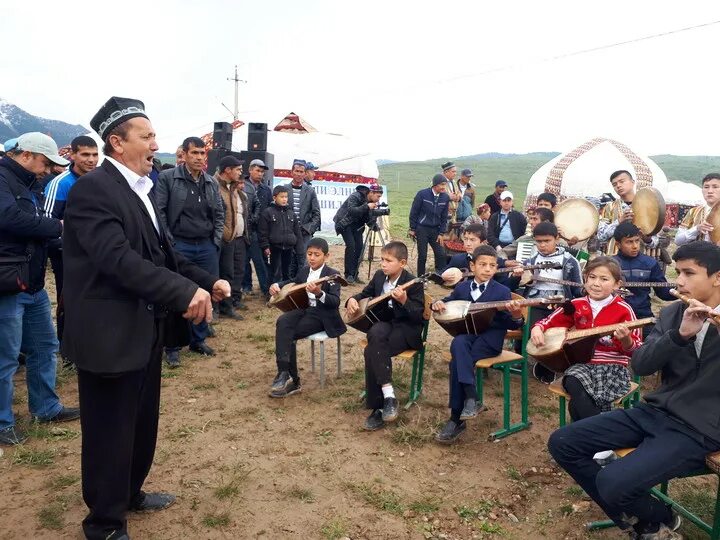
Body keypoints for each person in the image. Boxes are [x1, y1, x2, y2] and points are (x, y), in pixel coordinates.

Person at [63, 96, 230, 540]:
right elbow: (117, 260)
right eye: (148, 136)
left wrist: (205, 280)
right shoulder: (93, 190)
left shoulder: (142, 190)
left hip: (143, 330)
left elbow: (162, 254)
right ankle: (103, 522)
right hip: (108, 335)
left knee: (140, 423)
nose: (156, 144)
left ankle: (128, 493)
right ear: (117, 143)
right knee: (109, 432)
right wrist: (183, 292)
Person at [548, 241, 720, 540]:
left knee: (613, 482)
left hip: (701, 427)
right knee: (563, 442)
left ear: (717, 277)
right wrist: (678, 336)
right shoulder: (673, 314)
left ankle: (647, 520)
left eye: (688, 273)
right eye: (677, 272)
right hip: (656, 411)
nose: (678, 282)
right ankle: (654, 520)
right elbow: (640, 365)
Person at [0, 132, 80, 446]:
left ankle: (45, 407)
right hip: (8, 283)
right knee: (5, 358)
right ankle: (3, 422)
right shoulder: (3, 179)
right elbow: (8, 218)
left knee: (45, 347)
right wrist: (57, 227)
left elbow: (32, 223)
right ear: (27, 155)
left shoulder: (30, 185)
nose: (47, 170)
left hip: (31, 283)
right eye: (45, 163)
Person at [432, 245, 525, 443]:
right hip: (467, 338)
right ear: (472, 266)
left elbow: (511, 323)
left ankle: (456, 418)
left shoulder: (502, 291)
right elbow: (449, 302)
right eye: (482, 264)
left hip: (490, 341)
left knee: (456, 361)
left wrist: (517, 315)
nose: (488, 269)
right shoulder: (463, 287)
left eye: (492, 265)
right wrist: (438, 303)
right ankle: (471, 399)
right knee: (459, 342)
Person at [531, 257, 641, 422]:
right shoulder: (575, 305)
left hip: (612, 369)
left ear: (617, 284)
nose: (596, 283)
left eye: (604, 279)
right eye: (592, 277)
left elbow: (636, 349)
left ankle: (588, 437)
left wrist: (626, 341)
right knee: (573, 380)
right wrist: (537, 328)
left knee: (578, 400)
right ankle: (600, 438)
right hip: (582, 365)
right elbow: (549, 321)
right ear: (585, 278)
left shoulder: (624, 310)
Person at [154, 136, 225, 364]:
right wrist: (169, 242)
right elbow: (160, 212)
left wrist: (215, 240)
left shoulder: (211, 182)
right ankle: (172, 345)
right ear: (184, 155)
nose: (199, 158)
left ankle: (198, 340)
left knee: (205, 291)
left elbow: (219, 213)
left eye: (202, 153)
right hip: (179, 244)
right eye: (194, 153)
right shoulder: (167, 178)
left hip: (205, 245)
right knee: (176, 292)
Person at [346, 241, 424, 431]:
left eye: (388, 260)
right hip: (384, 325)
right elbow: (365, 293)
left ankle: (379, 407)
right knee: (375, 333)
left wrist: (404, 300)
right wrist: (351, 300)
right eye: (382, 259)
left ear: (402, 263)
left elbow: (417, 315)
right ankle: (388, 398)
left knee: (372, 350)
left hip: (406, 330)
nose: (383, 264)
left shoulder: (413, 283)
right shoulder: (380, 276)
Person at [268, 238, 347, 398]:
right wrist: (278, 285)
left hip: (323, 316)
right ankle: (284, 372)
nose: (312, 258)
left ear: (326, 256)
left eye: (316, 255)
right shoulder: (305, 271)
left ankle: (294, 381)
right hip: (304, 309)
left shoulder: (332, 275)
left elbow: (335, 302)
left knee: (289, 332)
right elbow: (294, 283)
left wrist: (319, 293)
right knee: (282, 321)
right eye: (309, 254)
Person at [42, 135, 99, 353]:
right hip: (67, 256)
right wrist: (66, 247)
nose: (91, 160)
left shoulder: (101, 181)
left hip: (96, 255)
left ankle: (91, 346)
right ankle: (68, 350)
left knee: (94, 300)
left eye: (95, 154)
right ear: (72, 155)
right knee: (70, 301)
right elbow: (47, 223)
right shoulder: (61, 184)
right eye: (85, 154)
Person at [612, 222, 674, 337]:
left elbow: (663, 293)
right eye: (629, 242)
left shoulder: (650, 263)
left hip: (643, 317)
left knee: (651, 348)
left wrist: (682, 291)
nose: (635, 246)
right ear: (618, 244)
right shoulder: (609, 265)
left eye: (636, 240)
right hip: (615, 317)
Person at [215, 155, 249, 325]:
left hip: (230, 240)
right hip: (215, 240)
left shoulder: (233, 189)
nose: (240, 172)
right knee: (213, 275)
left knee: (229, 273)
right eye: (237, 169)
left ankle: (226, 307)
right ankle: (213, 308)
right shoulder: (212, 186)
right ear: (227, 170)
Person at [597, 170, 660, 254]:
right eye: (614, 184)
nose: (618, 186)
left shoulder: (647, 206)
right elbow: (601, 236)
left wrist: (647, 239)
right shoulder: (609, 207)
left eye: (622, 182)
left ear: (632, 182)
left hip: (640, 259)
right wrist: (619, 221)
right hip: (614, 259)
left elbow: (654, 243)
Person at [333, 182, 383, 283]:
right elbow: (352, 210)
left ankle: (355, 274)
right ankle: (348, 274)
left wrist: (374, 224)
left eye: (380, 197)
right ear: (371, 192)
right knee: (351, 246)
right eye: (378, 196)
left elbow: (367, 219)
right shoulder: (356, 195)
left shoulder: (371, 203)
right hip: (344, 223)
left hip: (357, 226)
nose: (378, 199)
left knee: (360, 248)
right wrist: (367, 207)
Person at [440, 223, 515, 287]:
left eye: (472, 240)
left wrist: (515, 277)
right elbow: (439, 276)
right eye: (466, 239)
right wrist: (442, 277)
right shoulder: (457, 259)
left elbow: (506, 287)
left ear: (483, 242)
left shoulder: (495, 263)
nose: (468, 244)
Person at [259, 185, 305, 282]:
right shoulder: (267, 212)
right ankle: (271, 293)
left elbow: (297, 232)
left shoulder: (291, 213)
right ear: (274, 198)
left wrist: (300, 249)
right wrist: (265, 246)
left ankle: (285, 293)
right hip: (273, 249)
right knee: (274, 272)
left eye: (286, 197)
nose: (284, 199)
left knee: (287, 273)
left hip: (289, 248)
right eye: (282, 197)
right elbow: (263, 232)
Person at [241, 159, 272, 299]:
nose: (260, 174)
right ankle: (247, 286)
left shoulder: (266, 190)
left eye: (262, 172)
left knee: (261, 260)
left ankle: (265, 288)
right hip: (245, 228)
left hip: (262, 230)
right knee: (244, 259)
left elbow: (269, 210)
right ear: (250, 170)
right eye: (258, 171)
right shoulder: (242, 185)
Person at [408, 174, 450, 275]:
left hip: (436, 230)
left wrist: (441, 233)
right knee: (422, 255)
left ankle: (440, 275)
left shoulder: (445, 197)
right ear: (435, 185)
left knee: (441, 253)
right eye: (442, 184)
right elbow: (414, 212)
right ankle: (421, 278)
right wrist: (412, 228)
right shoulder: (422, 194)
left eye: (445, 184)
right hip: (422, 229)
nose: (444, 187)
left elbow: (444, 217)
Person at [286, 159, 321, 278]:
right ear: (292, 172)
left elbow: (317, 214)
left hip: (304, 233)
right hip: (288, 233)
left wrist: (308, 229)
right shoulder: (284, 189)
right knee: (289, 263)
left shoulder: (310, 191)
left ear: (305, 173)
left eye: (302, 171)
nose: (299, 174)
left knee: (304, 263)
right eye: (297, 171)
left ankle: (302, 289)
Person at [675, 173, 720, 246]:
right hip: (696, 256)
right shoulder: (693, 212)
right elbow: (678, 241)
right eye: (706, 187)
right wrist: (696, 229)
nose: (710, 191)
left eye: (715, 187)